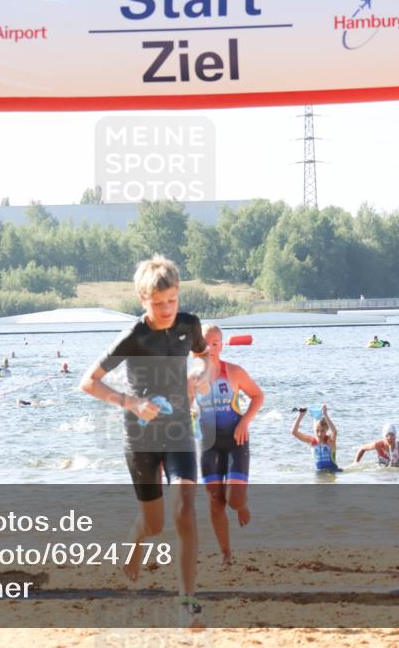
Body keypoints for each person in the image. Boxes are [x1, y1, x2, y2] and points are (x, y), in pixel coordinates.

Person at [79, 255, 209, 615]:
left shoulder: (189, 325)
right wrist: (131, 403)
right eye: (158, 303)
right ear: (143, 300)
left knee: (184, 507)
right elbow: (88, 382)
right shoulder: (134, 336)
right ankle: (135, 541)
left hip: (180, 430)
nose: (168, 309)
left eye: (173, 300)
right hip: (140, 439)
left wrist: (201, 373)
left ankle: (186, 597)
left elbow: (204, 356)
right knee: (153, 524)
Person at [191, 324, 264, 566]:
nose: (210, 348)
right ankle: (226, 553)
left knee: (232, 500)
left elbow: (258, 396)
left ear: (221, 345)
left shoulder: (234, 372)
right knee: (215, 500)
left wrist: (245, 422)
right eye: (204, 343)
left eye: (215, 343)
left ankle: (241, 504)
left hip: (235, 440)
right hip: (208, 443)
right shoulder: (191, 378)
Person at [291, 404, 341, 472]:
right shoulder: (311, 441)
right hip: (319, 472)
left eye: (322, 431)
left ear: (327, 429)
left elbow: (334, 432)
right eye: (317, 431)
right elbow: (294, 432)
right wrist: (300, 415)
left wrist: (325, 414)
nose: (319, 434)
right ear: (314, 429)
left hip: (333, 471)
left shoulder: (330, 440)